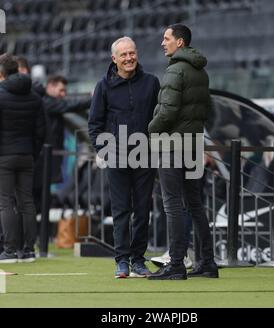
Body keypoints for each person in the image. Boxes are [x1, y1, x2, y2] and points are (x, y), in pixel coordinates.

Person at [147, 24, 218, 280]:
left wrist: (149, 131)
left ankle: (176, 263)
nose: (162, 43)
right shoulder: (201, 71)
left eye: (166, 38)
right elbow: (206, 110)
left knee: (172, 204)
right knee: (195, 204)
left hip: (172, 146)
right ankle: (208, 262)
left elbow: (166, 112)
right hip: (192, 144)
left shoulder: (176, 70)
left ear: (180, 42)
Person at [88, 36, 160, 278]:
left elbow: (160, 118)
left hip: (145, 156)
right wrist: (104, 153)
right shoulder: (103, 86)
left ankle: (138, 260)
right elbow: (94, 125)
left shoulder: (151, 83)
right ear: (114, 59)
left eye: (132, 53)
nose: (129, 58)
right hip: (116, 156)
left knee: (142, 210)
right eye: (124, 55)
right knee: (121, 211)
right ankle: (121, 261)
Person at [0, 54, 45, 263]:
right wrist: (32, 152)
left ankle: (9, 251)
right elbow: (41, 131)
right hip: (27, 155)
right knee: (27, 201)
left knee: (6, 201)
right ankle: (28, 251)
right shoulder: (35, 96)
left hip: (4, 156)